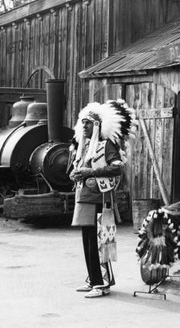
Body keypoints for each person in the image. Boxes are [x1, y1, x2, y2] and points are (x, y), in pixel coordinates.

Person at [69, 100, 136, 298]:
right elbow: (78, 169)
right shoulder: (84, 147)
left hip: (100, 199)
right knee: (87, 240)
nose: (84, 126)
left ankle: (102, 283)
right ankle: (93, 279)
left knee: (100, 242)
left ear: (97, 125)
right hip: (84, 198)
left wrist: (90, 171)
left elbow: (117, 167)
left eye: (88, 123)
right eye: (83, 123)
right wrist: (75, 174)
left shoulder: (106, 145)